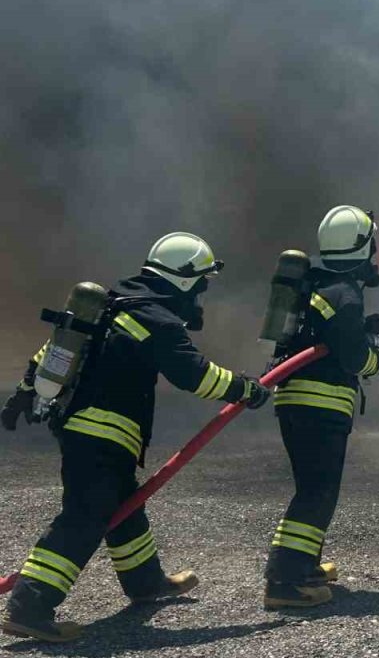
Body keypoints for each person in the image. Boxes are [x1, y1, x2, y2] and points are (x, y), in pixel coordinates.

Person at [0, 233, 271, 643]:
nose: (200, 295)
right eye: (200, 284)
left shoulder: (112, 302)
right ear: (182, 279)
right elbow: (192, 373)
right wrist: (245, 389)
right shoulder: (155, 319)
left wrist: (25, 389)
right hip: (103, 430)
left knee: (123, 503)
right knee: (84, 518)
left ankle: (145, 582)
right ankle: (30, 605)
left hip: (82, 425)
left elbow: (56, 347)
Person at [263, 206, 379, 609]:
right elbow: (355, 358)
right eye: (372, 245)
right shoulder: (344, 294)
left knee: (314, 488)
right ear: (361, 248)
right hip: (318, 405)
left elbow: (337, 340)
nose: (375, 255)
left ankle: (302, 564)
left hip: (298, 400)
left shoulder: (319, 286)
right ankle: (285, 582)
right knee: (317, 492)